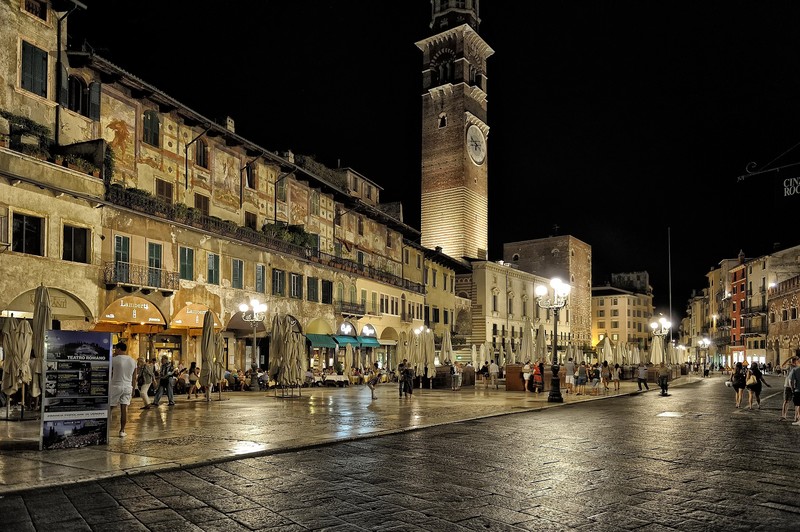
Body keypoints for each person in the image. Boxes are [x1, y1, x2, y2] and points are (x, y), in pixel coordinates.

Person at [109, 342, 137, 437]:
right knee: (124, 409)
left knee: (110, 408)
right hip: (128, 387)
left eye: (116, 349)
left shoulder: (114, 360)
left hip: (116, 386)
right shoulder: (133, 361)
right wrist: (133, 389)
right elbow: (134, 377)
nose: (115, 351)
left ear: (119, 349)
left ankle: (106, 429)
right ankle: (122, 431)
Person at [779, 357, 797, 421]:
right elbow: (782, 366)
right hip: (794, 386)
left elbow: (782, 366)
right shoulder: (792, 367)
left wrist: (789, 359)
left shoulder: (790, 366)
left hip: (788, 385)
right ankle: (795, 417)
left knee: (786, 401)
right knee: (796, 403)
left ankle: (784, 415)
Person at [790, 357, 800, 425]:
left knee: (799, 404)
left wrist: (792, 389)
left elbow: (791, 381)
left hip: (798, 390)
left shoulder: (795, 370)